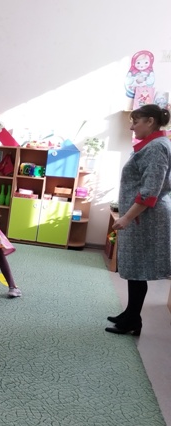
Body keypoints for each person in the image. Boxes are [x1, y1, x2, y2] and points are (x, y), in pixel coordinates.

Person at [106, 104, 171, 336]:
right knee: (135, 267)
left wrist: (126, 217)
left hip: (145, 217)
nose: (132, 127)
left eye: (136, 122)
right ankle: (130, 314)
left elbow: (150, 190)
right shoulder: (153, 145)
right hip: (141, 216)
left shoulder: (156, 147)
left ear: (150, 121)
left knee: (138, 268)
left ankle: (133, 320)